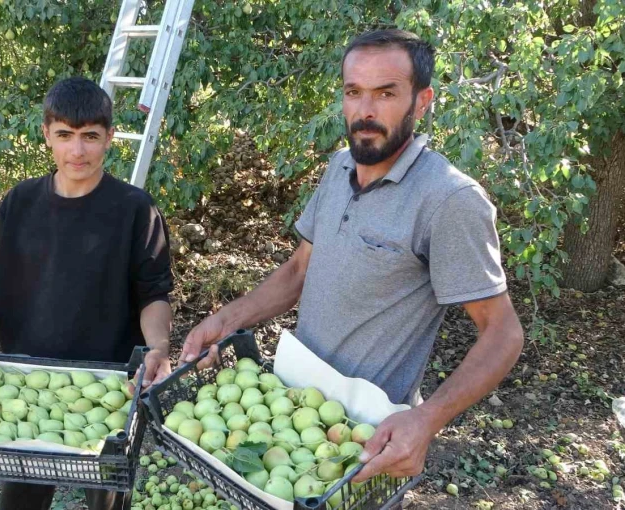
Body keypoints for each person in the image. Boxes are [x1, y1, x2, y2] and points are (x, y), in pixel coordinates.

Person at [180, 29, 524, 485]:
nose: (365, 111)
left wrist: (427, 420)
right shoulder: (340, 166)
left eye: (385, 93)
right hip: (290, 417)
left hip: (363, 446)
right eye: (353, 92)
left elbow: (503, 332)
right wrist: (226, 322)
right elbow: (299, 270)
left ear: (422, 102)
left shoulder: (450, 200)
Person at [0, 77, 174, 510]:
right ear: (46, 133)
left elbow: (153, 293)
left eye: (90, 136)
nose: (77, 151)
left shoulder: (134, 210)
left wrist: (159, 348)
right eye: (65, 135)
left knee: (107, 501)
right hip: (24, 385)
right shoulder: (19, 203)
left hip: (107, 389)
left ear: (110, 137)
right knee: (20, 502)